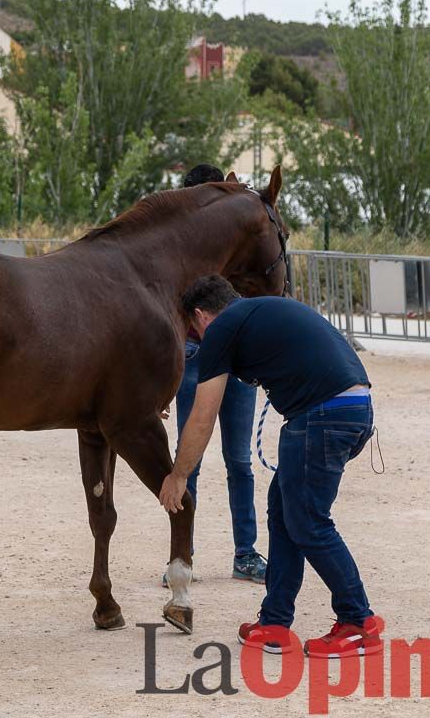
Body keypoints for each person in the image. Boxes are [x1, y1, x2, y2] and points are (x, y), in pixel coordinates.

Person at [159, 276, 382, 658]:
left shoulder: (222, 328)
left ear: (200, 315)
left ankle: (358, 621)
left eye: (193, 331)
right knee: (284, 513)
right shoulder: (259, 311)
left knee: (308, 520)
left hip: (321, 415)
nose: (196, 340)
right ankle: (275, 622)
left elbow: (202, 414)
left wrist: (178, 475)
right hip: (349, 408)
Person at [163, 163, 266, 587]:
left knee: (238, 461)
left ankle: (243, 553)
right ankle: (184, 554)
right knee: (194, 459)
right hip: (194, 351)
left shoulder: (233, 242)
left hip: (228, 355)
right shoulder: (177, 247)